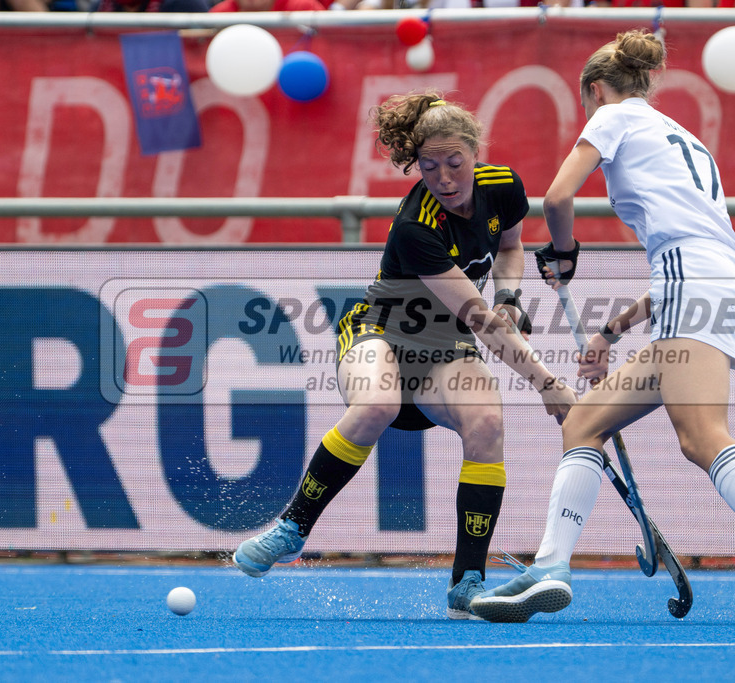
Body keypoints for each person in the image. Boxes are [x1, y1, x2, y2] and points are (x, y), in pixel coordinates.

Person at [469, 29, 735, 625]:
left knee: (701, 436)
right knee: (585, 423)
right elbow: (690, 247)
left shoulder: (614, 118)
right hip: (703, 288)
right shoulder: (686, 137)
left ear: (595, 90)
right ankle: (550, 567)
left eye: (587, 101)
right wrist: (611, 331)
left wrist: (562, 255)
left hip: (697, 291)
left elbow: (558, 198)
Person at [232, 92, 577, 619]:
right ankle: (292, 529)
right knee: (376, 405)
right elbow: (479, 321)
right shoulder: (418, 225)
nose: (443, 178)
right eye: (428, 166)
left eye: (454, 162)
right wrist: (548, 382)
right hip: (382, 335)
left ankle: (467, 586)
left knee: (486, 422)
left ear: (475, 153)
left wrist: (508, 296)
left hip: (447, 348)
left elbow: (509, 249)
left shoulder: (504, 186)